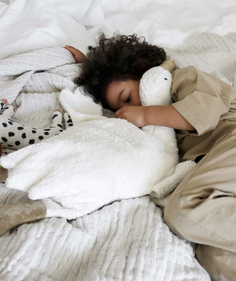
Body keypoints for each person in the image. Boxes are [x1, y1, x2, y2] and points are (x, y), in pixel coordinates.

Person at [65, 33, 236, 281]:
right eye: (119, 109)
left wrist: (144, 114)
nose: (129, 110)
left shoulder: (183, 78)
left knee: (185, 210)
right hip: (221, 174)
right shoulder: (162, 133)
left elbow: (203, 112)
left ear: (145, 72)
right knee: (214, 257)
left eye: (127, 98)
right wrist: (89, 69)